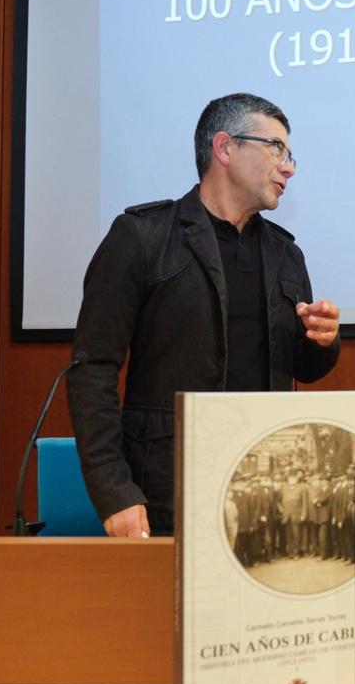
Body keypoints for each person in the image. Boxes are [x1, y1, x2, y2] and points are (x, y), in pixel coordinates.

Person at [67, 93, 340, 538]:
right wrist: (115, 491)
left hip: (266, 488)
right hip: (167, 487)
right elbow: (92, 370)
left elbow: (304, 368)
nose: (288, 166)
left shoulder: (286, 254)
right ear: (225, 148)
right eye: (276, 149)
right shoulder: (143, 237)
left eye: (290, 155)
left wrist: (321, 341)